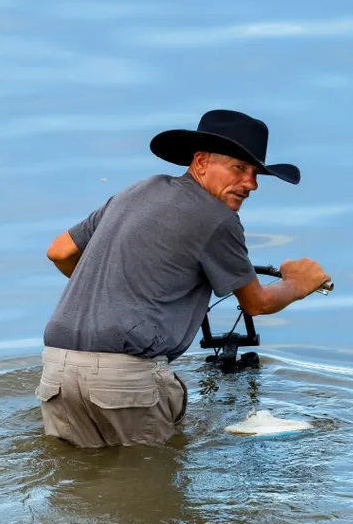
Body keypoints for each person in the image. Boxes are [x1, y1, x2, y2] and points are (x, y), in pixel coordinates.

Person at [37, 109, 330, 448]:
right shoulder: (217, 218)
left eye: (255, 173)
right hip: (125, 376)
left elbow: (59, 251)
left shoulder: (137, 191)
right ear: (201, 161)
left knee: (79, 488)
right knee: (148, 494)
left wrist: (118, 292)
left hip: (57, 366)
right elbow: (256, 303)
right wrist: (298, 283)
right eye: (239, 168)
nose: (251, 184)